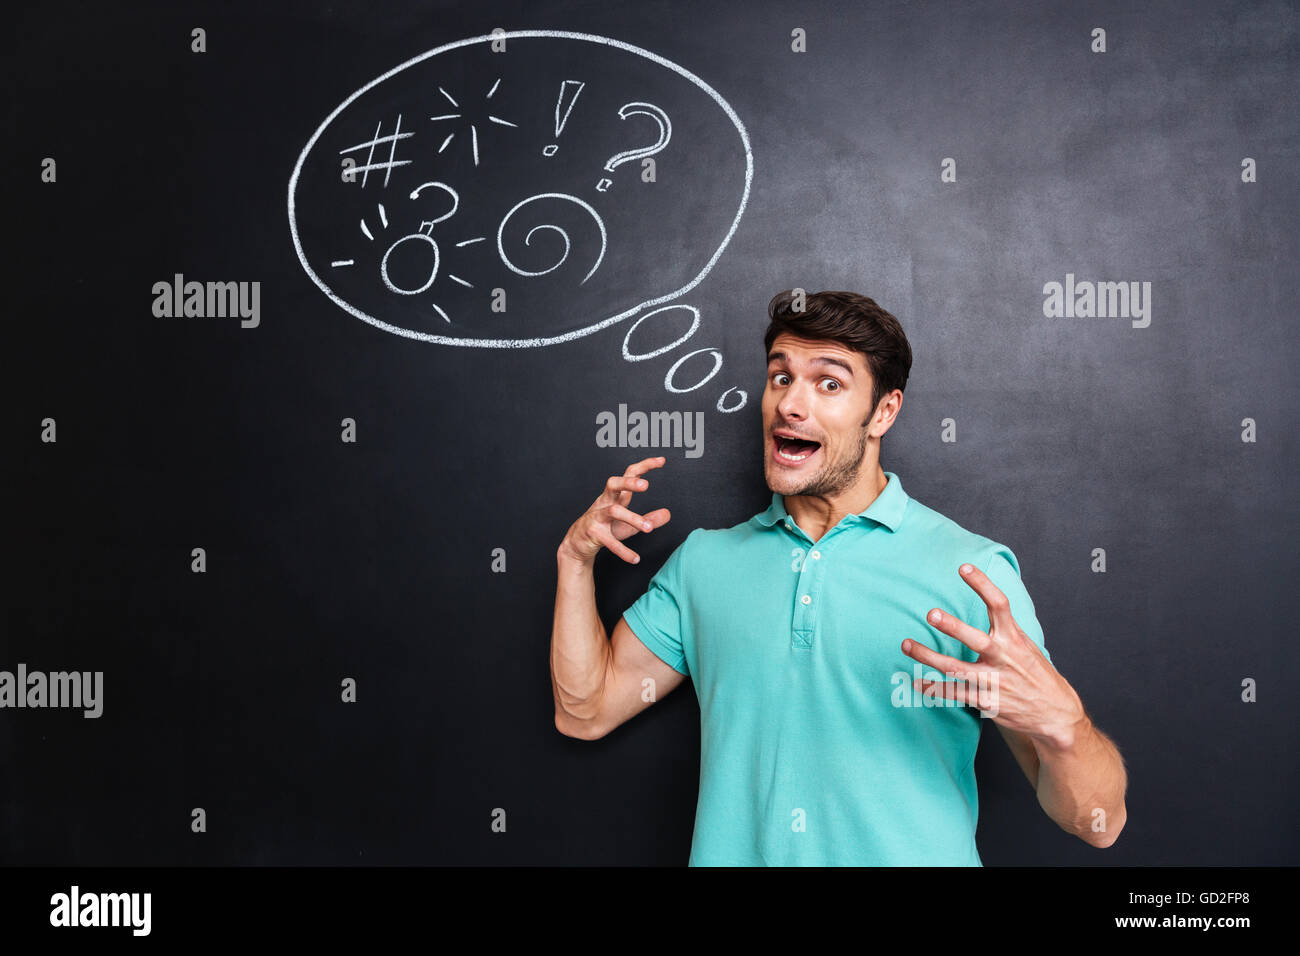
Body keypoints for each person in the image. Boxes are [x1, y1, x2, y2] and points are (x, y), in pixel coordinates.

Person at [551, 289, 1127, 865]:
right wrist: (575, 562)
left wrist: (1067, 727)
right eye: (780, 377)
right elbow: (585, 712)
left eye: (829, 384)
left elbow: (1098, 826)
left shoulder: (971, 575)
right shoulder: (706, 563)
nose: (790, 405)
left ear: (883, 412)